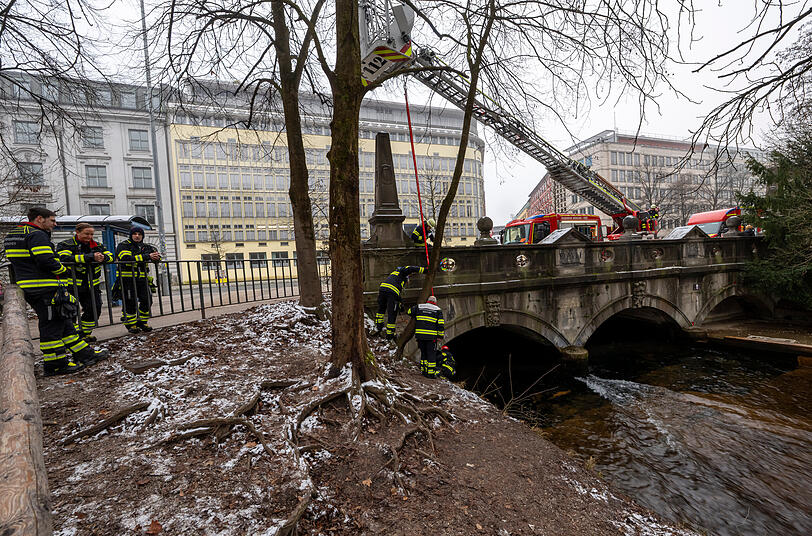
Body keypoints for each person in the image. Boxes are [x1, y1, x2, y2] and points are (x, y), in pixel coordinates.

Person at [3, 207, 108, 375]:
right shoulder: (37, 234)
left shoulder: (14, 234)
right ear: (39, 218)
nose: (55, 224)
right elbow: (46, 259)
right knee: (51, 326)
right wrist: (63, 271)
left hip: (31, 285)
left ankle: (84, 354)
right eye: (52, 220)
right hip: (44, 287)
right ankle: (56, 364)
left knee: (64, 322)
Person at [56, 223, 114, 342]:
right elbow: (63, 258)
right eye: (86, 234)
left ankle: (84, 333)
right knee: (71, 311)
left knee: (95, 309)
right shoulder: (66, 244)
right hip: (71, 286)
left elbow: (112, 256)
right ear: (77, 232)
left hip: (92, 286)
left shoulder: (97, 245)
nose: (89, 237)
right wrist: (90, 257)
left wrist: (103, 258)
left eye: (91, 234)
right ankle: (72, 337)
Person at [116, 227, 160, 334]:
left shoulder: (146, 247)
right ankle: (131, 324)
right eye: (134, 234)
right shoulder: (123, 245)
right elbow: (126, 258)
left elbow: (157, 257)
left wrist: (156, 258)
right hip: (127, 279)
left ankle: (142, 322)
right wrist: (147, 256)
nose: (137, 236)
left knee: (147, 300)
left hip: (142, 279)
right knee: (130, 302)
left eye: (139, 234)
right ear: (131, 235)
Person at [375, 265, 425, 339]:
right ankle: (390, 334)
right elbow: (410, 268)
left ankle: (379, 326)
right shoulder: (402, 272)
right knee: (392, 313)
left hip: (382, 290)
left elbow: (397, 295)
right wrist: (424, 270)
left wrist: (400, 303)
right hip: (391, 292)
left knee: (381, 309)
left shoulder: (394, 275)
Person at [407, 295, 445, 377]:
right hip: (431, 337)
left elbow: (409, 312)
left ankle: (424, 370)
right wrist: (440, 336)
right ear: (435, 302)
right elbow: (440, 325)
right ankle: (430, 373)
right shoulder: (438, 310)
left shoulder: (419, 307)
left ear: (427, 300)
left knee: (423, 353)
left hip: (420, 336)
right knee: (431, 355)